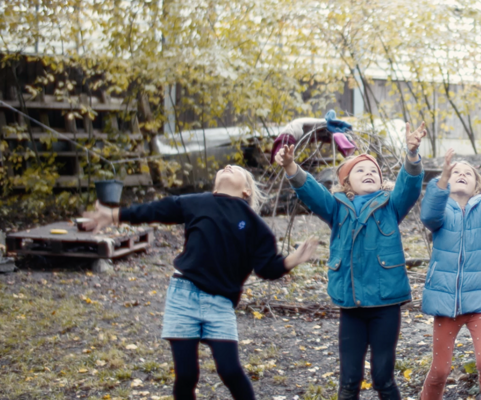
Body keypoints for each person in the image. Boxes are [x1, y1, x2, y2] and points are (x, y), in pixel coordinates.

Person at [83, 164, 320, 400]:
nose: (228, 166)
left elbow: (266, 267)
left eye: (236, 169)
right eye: (225, 167)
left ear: (246, 190)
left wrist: (292, 260)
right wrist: (114, 215)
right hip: (183, 294)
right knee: (186, 375)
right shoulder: (196, 202)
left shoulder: (255, 226)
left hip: (220, 304)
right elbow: (156, 210)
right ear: (215, 184)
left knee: (230, 371)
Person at [276, 122, 427, 400]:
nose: (369, 173)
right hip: (351, 307)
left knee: (383, 378)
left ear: (381, 181)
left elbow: (409, 185)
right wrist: (290, 167)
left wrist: (412, 153)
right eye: (361, 170)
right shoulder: (336, 207)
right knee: (348, 382)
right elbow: (311, 191)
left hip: (385, 305)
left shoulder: (391, 206)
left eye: (374, 171)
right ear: (346, 183)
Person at [418, 147, 481, 400]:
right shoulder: (441, 212)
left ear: (476, 185)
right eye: (455, 172)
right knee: (440, 371)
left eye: (468, 173)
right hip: (446, 302)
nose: (461, 174)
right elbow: (428, 213)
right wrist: (441, 177)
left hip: (479, 302)